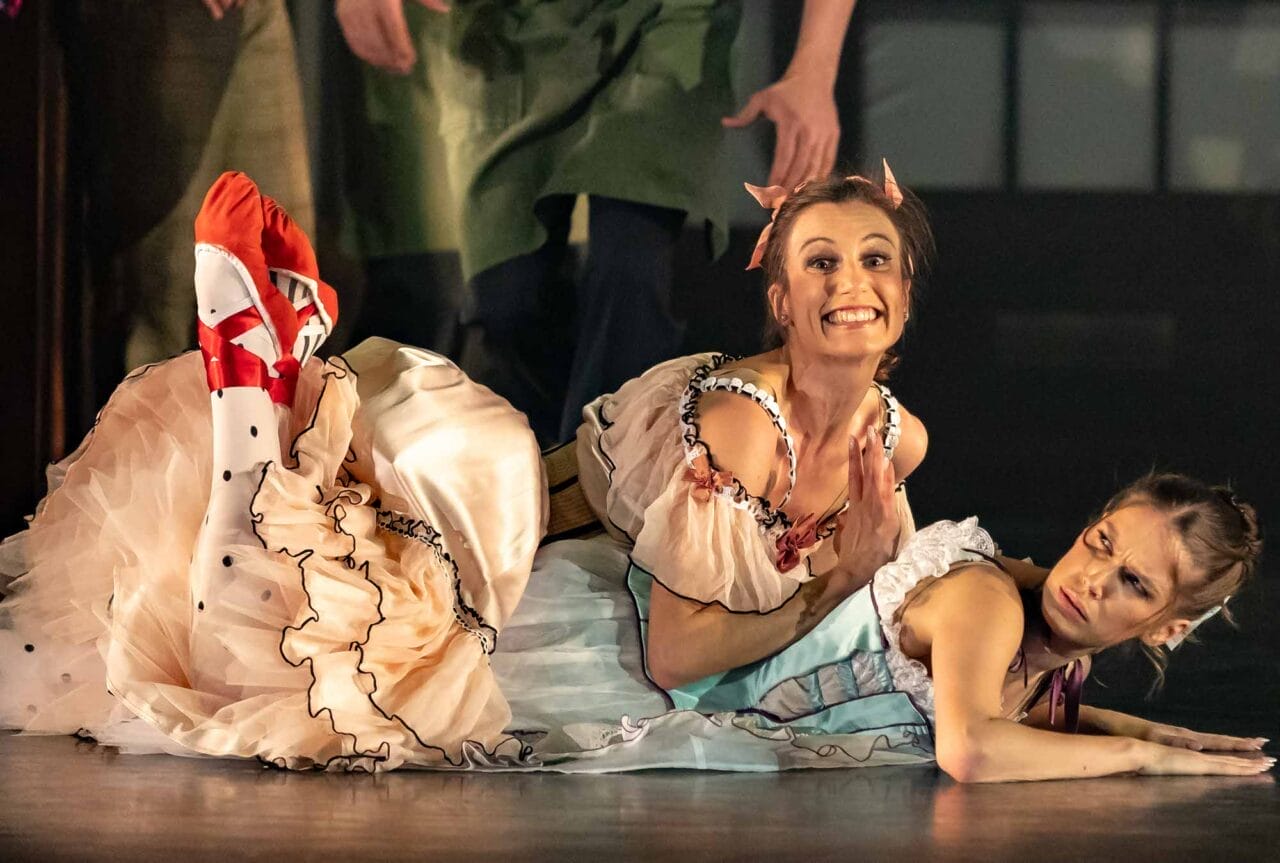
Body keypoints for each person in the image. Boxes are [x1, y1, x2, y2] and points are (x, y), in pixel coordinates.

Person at [0, 173, 1269, 780]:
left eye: (873, 260)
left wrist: (1155, 730)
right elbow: (682, 654)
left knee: (201, 649)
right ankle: (255, 399)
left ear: (905, 298)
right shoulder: (739, 426)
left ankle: (257, 393)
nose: (849, 284)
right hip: (529, 554)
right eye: (817, 261)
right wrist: (840, 566)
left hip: (641, 609)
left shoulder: (903, 442)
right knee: (297, 649)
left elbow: (1000, 694)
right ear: (776, 291)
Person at [336, 0, 856, 444]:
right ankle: (534, 505)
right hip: (511, 30)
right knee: (506, 303)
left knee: (628, 272)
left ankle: (598, 505)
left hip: (666, 25)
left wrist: (815, 68)